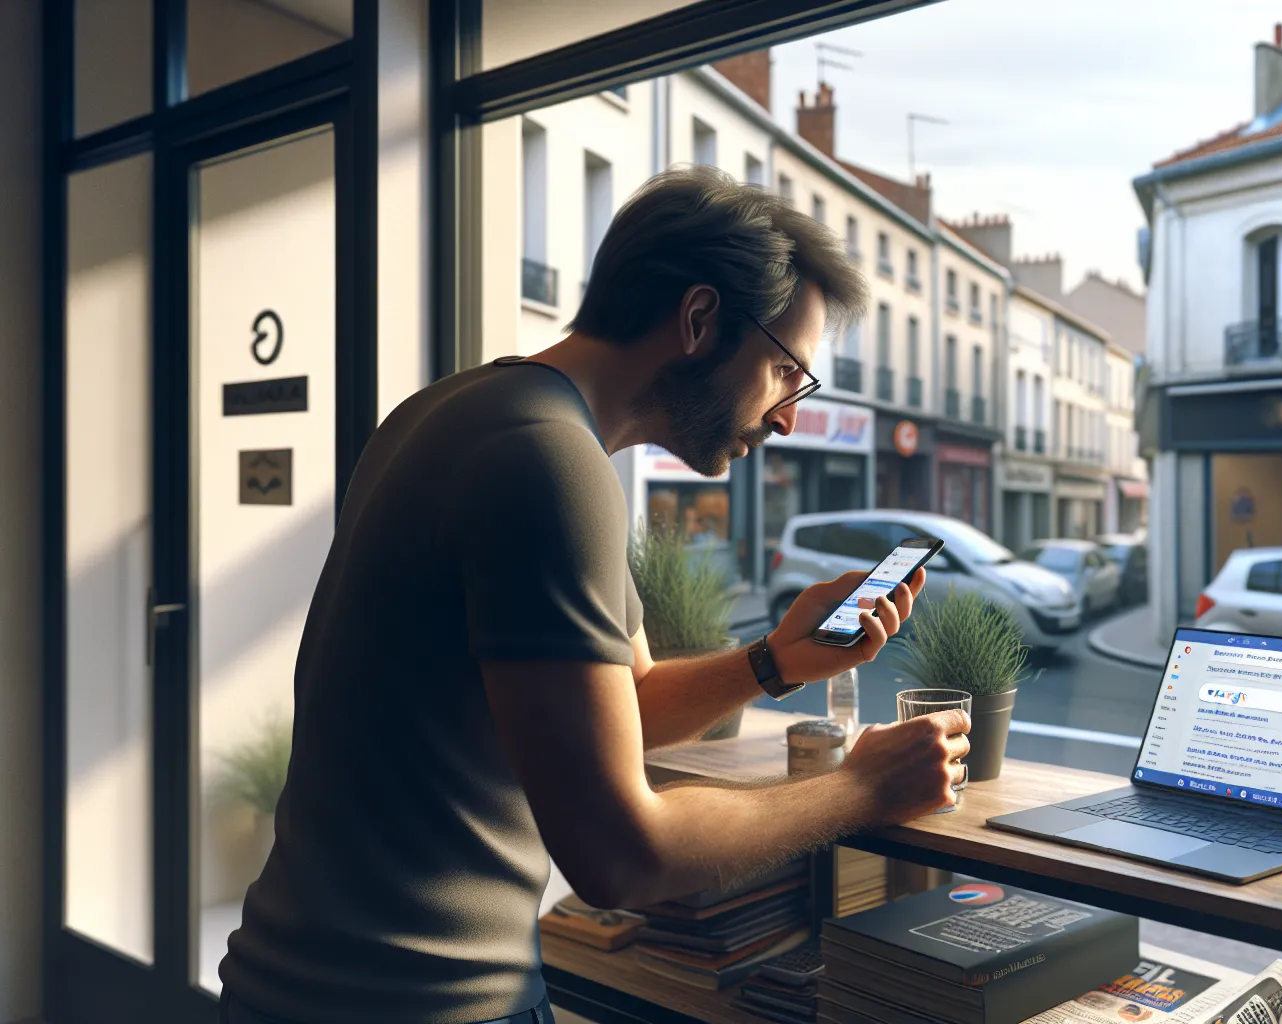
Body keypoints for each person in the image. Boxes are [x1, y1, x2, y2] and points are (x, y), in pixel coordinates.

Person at [217, 166, 968, 1024]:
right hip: (417, 1004)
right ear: (699, 320)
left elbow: (623, 704)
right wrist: (865, 788)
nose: (787, 415)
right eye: (783, 370)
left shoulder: (459, 411)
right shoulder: (546, 460)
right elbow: (622, 856)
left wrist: (774, 660)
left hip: (294, 985)